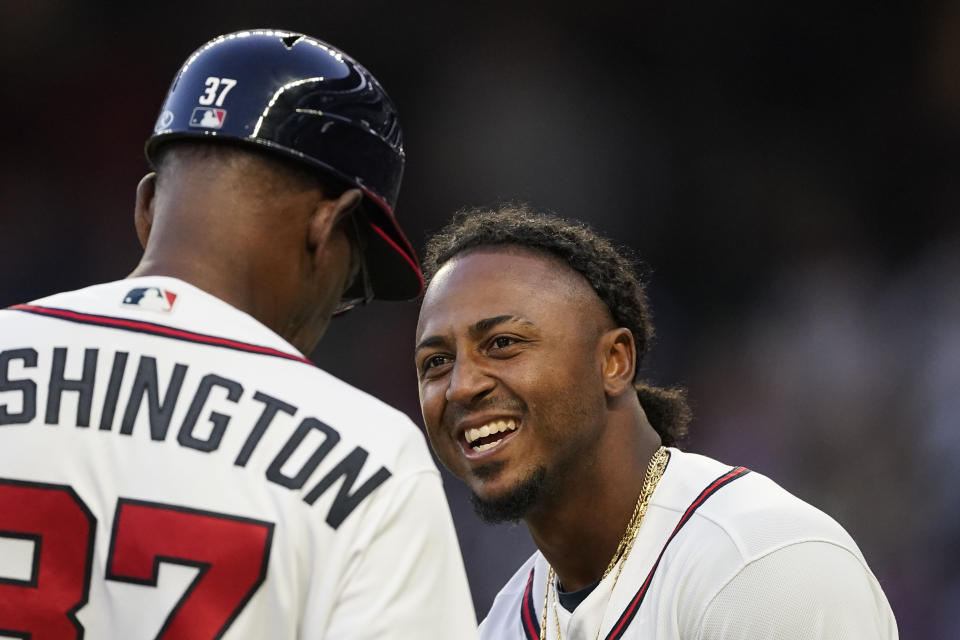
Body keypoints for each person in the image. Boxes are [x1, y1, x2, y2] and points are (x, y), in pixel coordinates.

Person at [0, 30, 477, 639]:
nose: (336, 309)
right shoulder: (372, 458)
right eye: (352, 285)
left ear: (147, 207)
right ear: (326, 228)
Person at [414, 205, 898, 639]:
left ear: (614, 362)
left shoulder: (761, 564)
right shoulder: (502, 624)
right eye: (436, 362)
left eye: (502, 343)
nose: (460, 386)